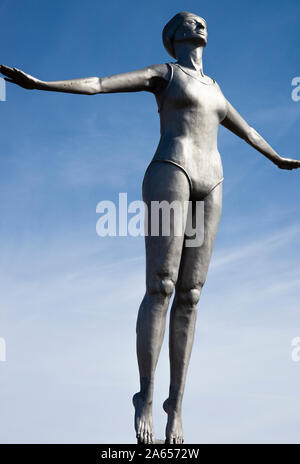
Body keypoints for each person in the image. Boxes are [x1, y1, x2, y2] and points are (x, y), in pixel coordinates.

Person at [1, 11, 299, 445]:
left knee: (191, 295)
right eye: (190, 21)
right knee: (162, 284)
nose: (200, 25)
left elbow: (248, 131)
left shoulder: (216, 90)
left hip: (212, 181)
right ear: (174, 36)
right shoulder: (166, 74)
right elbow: (102, 83)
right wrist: (41, 84)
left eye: (203, 21)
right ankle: (147, 393)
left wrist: (279, 158)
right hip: (171, 171)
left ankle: (176, 406)